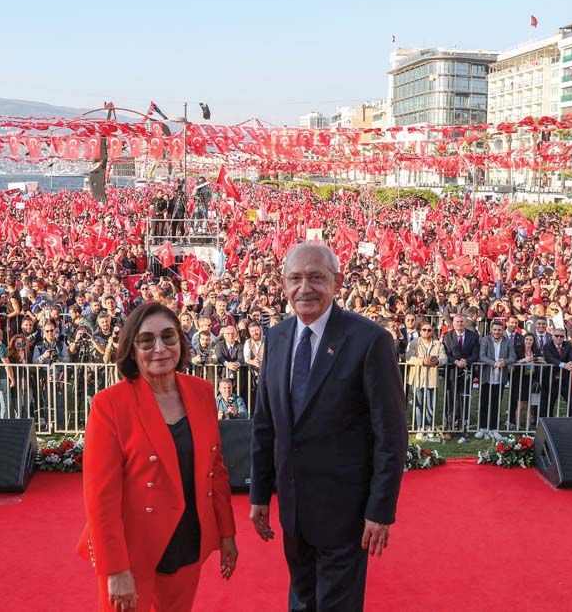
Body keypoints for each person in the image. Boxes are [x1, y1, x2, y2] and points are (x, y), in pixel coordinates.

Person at [250, 243, 407, 612]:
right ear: (283, 284)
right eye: (295, 278)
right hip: (293, 509)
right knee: (302, 601)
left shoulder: (370, 341)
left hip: (346, 513)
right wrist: (259, 494)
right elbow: (265, 424)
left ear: (336, 281)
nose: (305, 288)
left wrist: (380, 509)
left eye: (316, 278)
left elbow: (391, 435)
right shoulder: (276, 338)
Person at [77, 302, 237, 611]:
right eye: (147, 340)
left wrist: (226, 532)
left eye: (169, 336)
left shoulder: (202, 392)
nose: (160, 348)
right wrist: (115, 569)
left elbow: (215, 471)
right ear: (132, 348)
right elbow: (100, 499)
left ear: (181, 340)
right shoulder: (110, 404)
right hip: (134, 553)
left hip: (188, 542)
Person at [405, 321, 446, 439]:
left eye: (429, 330)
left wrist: (438, 361)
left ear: (432, 332)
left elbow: (444, 357)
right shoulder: (413, 343)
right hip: (417, 377)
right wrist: (422, 361)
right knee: (418, 403)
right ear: (420, 331)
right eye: (424, 330)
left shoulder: (438, 344)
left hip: (432, 377)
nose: (426, 332)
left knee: (430, 404)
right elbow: (409, 357)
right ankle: (419, 427)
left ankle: (428, 426)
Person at [478, 318, 516, 437]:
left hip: (500, 378)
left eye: (499, 330)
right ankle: (482, 428)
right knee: (484, 402)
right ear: (491, 330)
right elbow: (482, 356)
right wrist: (495, 363)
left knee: (496, 403)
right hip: (486, 376)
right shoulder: (485, 340)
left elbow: (513, 357)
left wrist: (504, 362)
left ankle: (494, 428)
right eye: (494, 329)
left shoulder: (507, 341)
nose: (496, 332)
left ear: (502, 330)